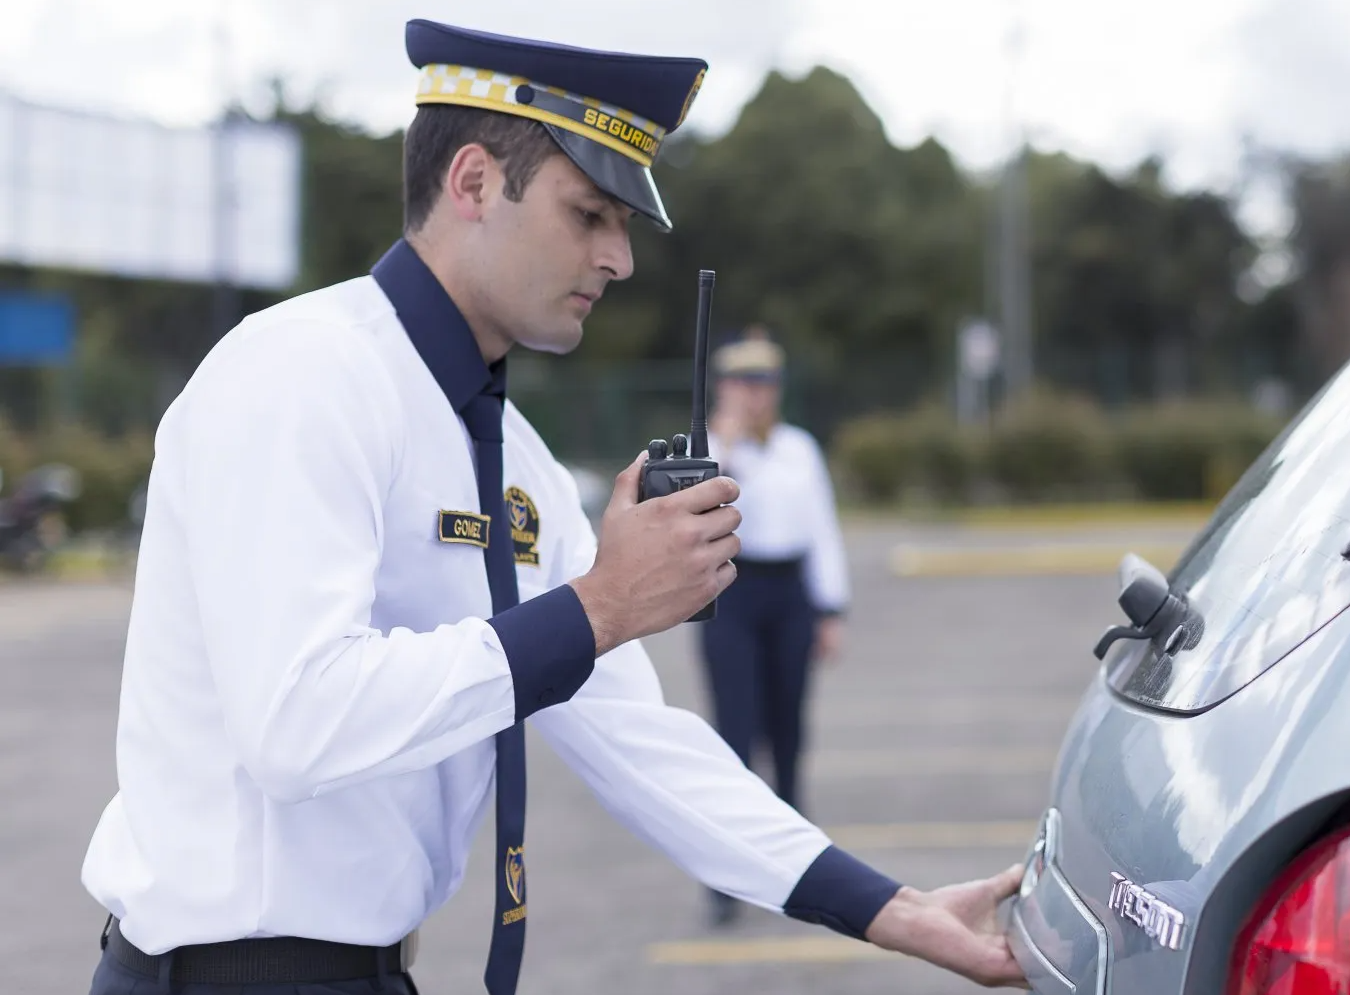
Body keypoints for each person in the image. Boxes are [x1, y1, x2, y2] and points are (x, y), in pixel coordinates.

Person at [78, 20, 1024, 995]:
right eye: (590, 215)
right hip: (225, 972)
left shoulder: (508, 452)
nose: (617, 259)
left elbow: (635, 736)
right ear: (474, 182)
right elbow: (297, 720)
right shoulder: (302, 375)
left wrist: (892, 907)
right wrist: (598, 606)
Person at [698, 327, 849, 926]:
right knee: (735, 733)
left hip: (789, 595)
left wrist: (830, 609)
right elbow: (700, 509)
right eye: (742, 383)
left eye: (763, 383)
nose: (753, 395)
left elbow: (822, 531)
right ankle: (725, 874)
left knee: (788, 729)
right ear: (723, 388)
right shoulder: (708, 447)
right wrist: (727, 444)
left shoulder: (799, 448)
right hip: (731, 591)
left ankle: (792, 865)